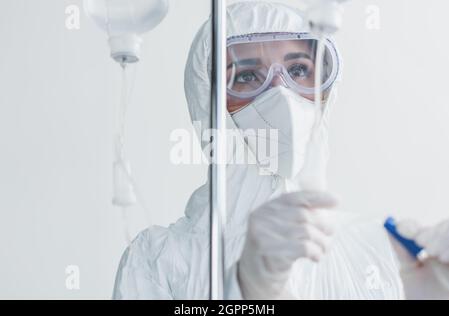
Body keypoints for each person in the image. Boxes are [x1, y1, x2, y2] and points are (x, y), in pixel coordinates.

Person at [112, 1, 449, 299]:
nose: (281, 94)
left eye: (299, 70)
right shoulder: (158, 261)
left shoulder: (381, 252)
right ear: (207, 99)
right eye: (246, 76)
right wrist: (247, 291)